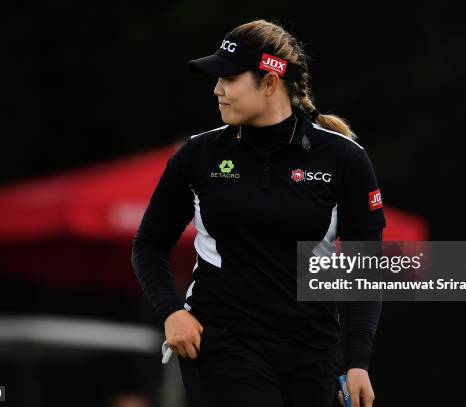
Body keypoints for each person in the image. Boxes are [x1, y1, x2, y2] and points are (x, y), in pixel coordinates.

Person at [131, 19, 386, 407]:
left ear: (269, 82)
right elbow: (148, 244)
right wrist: (171, 312)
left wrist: (358, 363)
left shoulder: (345, 159)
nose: (217, 89)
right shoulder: (197, 155)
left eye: (229, 79)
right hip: (223, 341)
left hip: (312, 351)